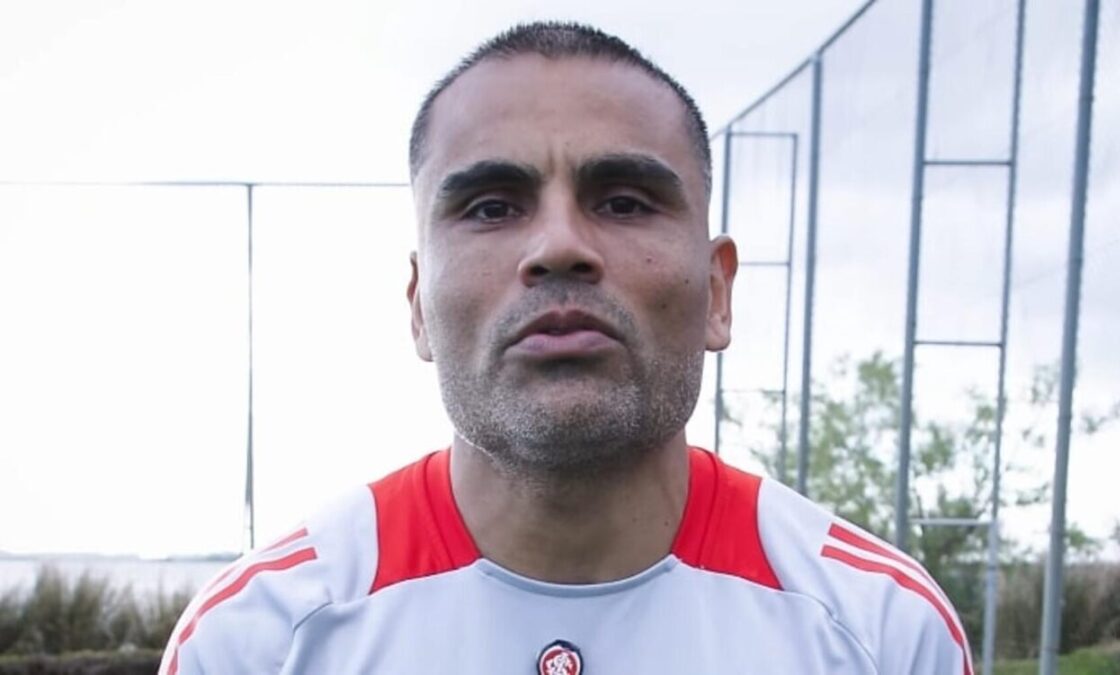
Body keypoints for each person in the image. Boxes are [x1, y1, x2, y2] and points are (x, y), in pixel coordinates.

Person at [160, 22, 972, 675]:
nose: (559, 246)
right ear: (418, 306)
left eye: (623, 201)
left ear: (717, 293)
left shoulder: (883, 631)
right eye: (491, 206)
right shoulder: (255, 641)